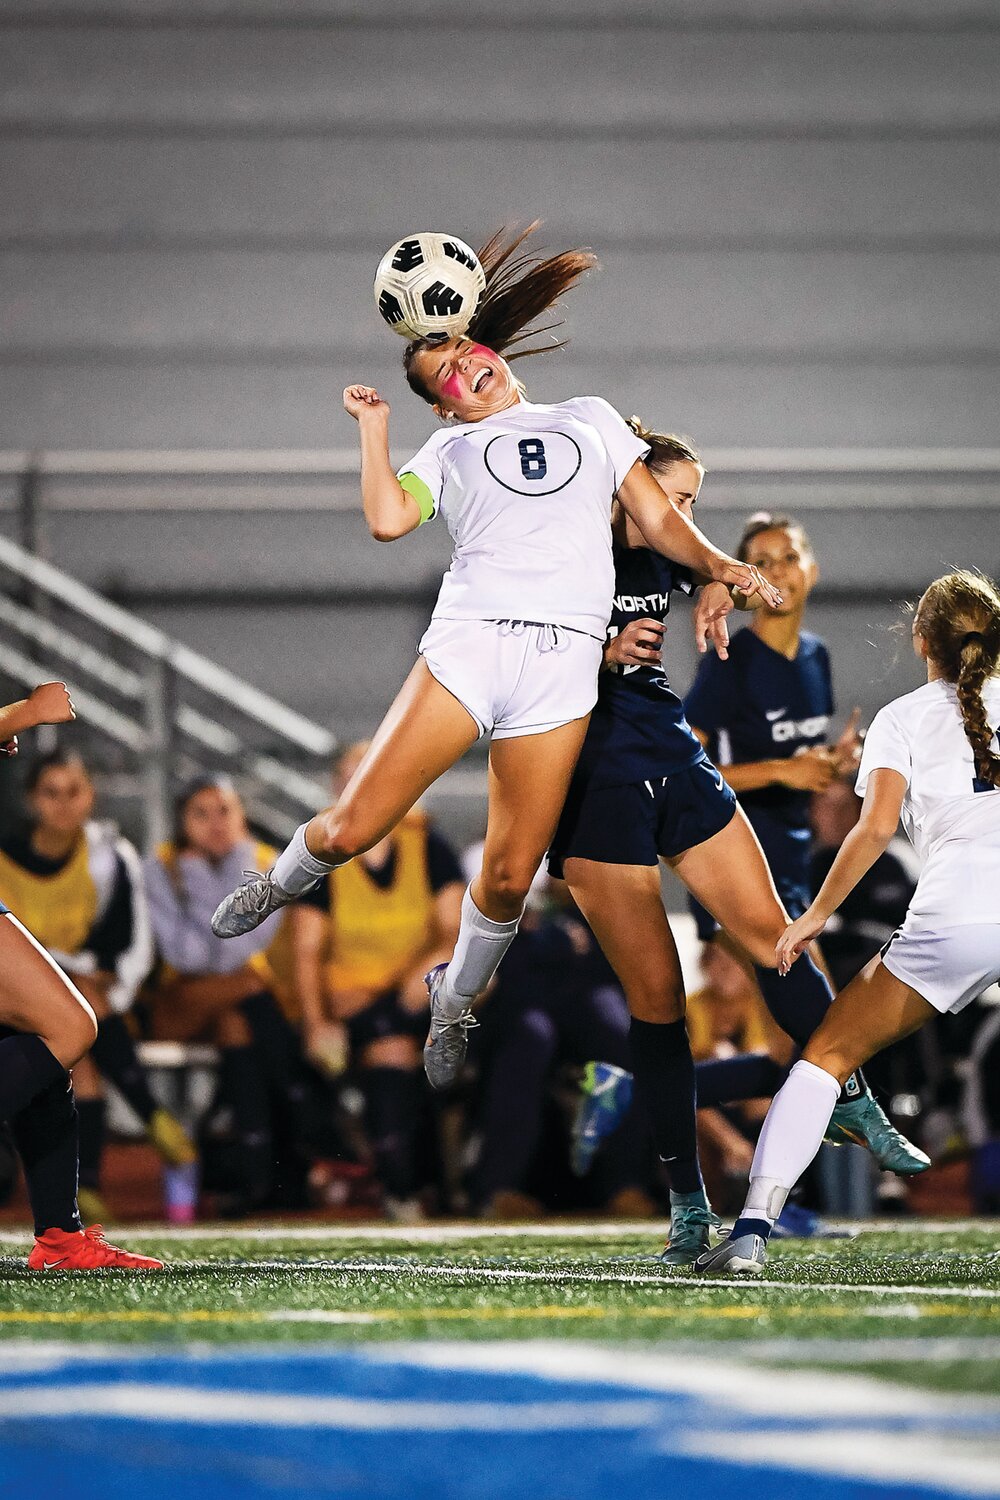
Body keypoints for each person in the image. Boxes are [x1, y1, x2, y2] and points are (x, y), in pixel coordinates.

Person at [210, 223, 778, 1099]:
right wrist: (373, 429)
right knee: (353, 830)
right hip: (473, 644)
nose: (461, 370)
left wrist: (724, 565)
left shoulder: (589, 419)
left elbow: (661, 521)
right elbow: (388, 521)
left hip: (562, 668)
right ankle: (277, 882)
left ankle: (456, 999)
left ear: (489, 348)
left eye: (465, 354)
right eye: (441, 377)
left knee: (510, 875)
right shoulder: (446, 447)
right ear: (443, 406)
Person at [550, 427, 927, 1263]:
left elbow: (717, 571)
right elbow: (509, 669)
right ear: (627, 489)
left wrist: (720, 579)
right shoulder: (557, 554)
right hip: (594, 792)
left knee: (781, 943)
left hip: (674, 764)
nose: (684, 515)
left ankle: (852, 1098)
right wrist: (596, 655)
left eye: (691, 502)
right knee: (659, 1007)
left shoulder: (676, 556)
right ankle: (688, 1208)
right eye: (673, 498)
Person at [696, 570, 1000, 1275]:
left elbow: (873, 830)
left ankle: (749, 1232)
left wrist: (812, 918)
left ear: (921, 639)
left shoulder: (902, 717)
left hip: (956, 919)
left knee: (826, 1058)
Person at [0, 682, 162, 1270]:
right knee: (68, 1027)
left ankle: (60, 1238)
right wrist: (23, 712)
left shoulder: (104, 854)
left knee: (39, 1039)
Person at [0, 750, 195, 1219]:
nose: (64, 805)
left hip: (97, 1003)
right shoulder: (6, 857)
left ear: (91, 795)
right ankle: (149, 1114)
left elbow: (130, 948)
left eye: (74, 791)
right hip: (24, 1001)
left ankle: (72, 1211)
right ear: (31, 800)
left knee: (73, 1044)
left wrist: (108, 992)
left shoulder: (109, 856)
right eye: (51, 792)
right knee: (70, 1022)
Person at [290, 741, 465, 1219]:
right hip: (352, 1009)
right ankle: (407, 1186)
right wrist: (316, 1022)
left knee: (406, 1039)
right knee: (392, 1046)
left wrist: (417, 970)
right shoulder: (322, 850)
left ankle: (410, 1184)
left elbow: (455, 930)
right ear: (336, 788)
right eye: (350, 777)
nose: (362, 787)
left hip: (415, 996)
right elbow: (306, 951)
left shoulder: (427, 844)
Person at [145, 775, 315, 1215]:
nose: (215, 824)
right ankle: (308, 1116)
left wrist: (214, 893)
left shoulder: (269, 864)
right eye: (200, 814)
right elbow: (187, 958)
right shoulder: (162, 866)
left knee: (237, 1021)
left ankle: (259, 1175)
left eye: (225, 811)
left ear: (242, 815)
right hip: (178, 1003)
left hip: (244, 1010)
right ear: (183, 823)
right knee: (248, 986)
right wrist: (203, 881)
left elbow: (241, 948)